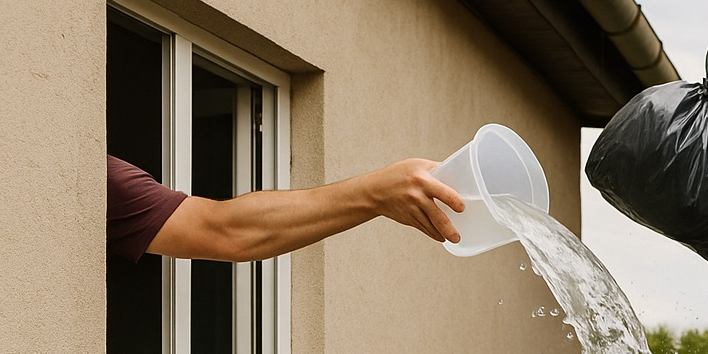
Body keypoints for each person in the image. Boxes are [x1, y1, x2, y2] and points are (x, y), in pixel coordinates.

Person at [107, 155, 465, 263]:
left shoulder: (101, 179)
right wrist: (375, 193)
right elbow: (226, 232)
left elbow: (224, 229)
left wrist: (377, 192)